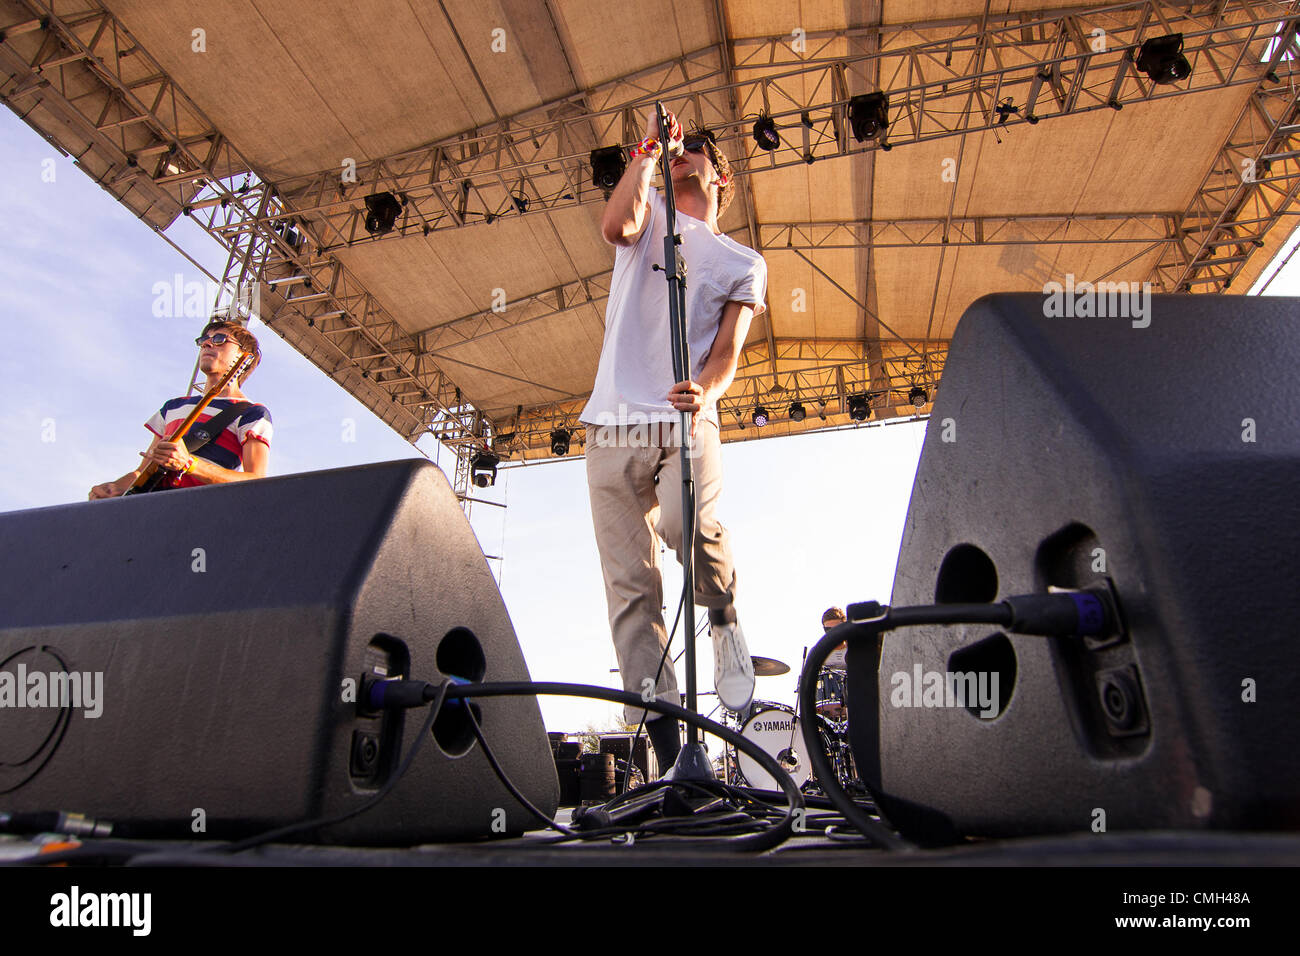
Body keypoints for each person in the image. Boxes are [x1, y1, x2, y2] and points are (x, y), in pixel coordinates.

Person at [580, 109, 768, 773]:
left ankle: (721, 614)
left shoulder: (744, 261)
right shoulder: (648, 211)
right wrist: (650, 152)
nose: (686, 157)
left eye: (697, 153)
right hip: (610, 426)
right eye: (679, 151)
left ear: (724, 177)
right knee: (631, 591)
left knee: (690, 523)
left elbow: (728, 351)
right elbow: (616, 225)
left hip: (682, 417)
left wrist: (707, 392)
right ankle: (669, 755)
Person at [89, 320, 271, 499]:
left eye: (220, 339)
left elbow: (255, 481)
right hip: (152, 507)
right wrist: (113, 488)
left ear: (244, 357)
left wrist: (189, 463)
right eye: (204, 340)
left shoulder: (252, 413)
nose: (207, 343)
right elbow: (144, 471)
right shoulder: (173, 406)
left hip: (201, 511)